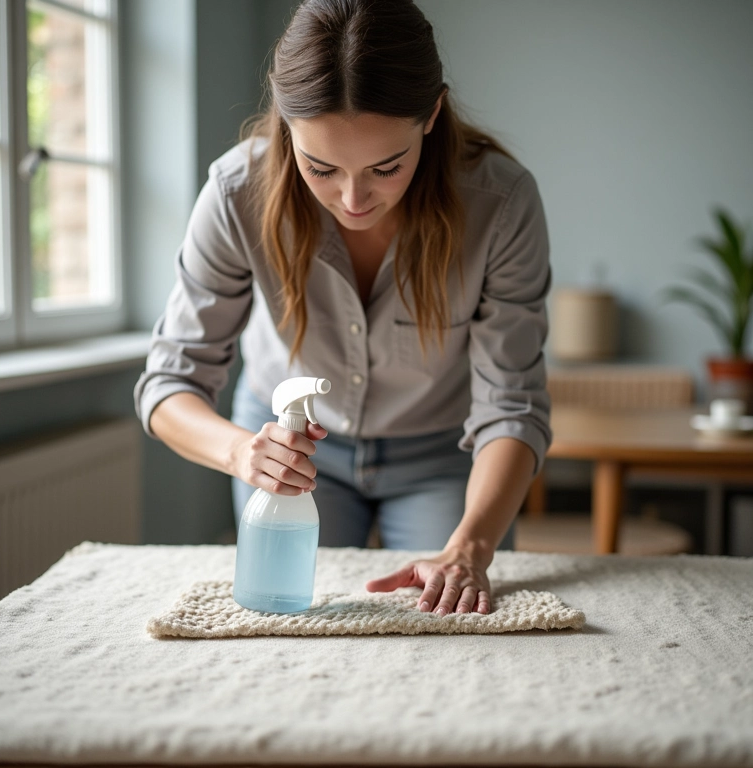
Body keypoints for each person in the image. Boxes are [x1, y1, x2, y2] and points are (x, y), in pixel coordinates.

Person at [134, 0, 551, 617]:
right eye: (321, 167)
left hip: (442, 456)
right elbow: (169, 384)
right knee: (290, 618)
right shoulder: (234, 192)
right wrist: (242, 452)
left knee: (450, 618)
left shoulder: (501, 202)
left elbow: (513, 404)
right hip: (287, 447)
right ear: (287, 122)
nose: (354, 199)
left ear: (432, 114)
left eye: (387, 167)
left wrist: (470, 547)